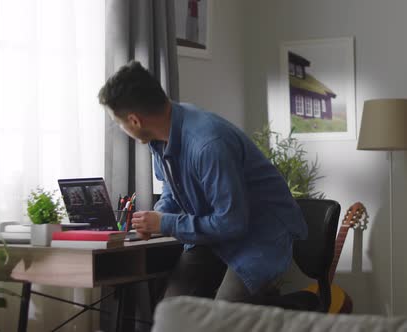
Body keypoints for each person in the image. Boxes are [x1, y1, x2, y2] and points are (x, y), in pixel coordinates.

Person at [98, 61, 307, 302]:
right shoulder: (160, 135)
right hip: (213, 233)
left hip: (258, 236)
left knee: (218, 320)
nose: (121, 129)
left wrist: (165, 224)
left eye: (119, 123)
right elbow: (170, 187)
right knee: (174, 314)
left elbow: (233, 223)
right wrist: (158, 216)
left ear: (135, 120)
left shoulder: (208, 144)